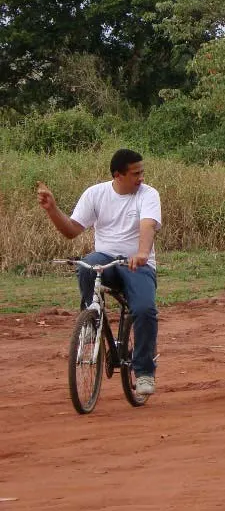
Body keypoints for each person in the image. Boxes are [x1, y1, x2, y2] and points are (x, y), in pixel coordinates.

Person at [37, 148, 162, 396]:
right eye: (136, 173)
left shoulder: (148, 195)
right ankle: (91, 319)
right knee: (87, 264)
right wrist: (52, 209)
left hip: (137, 263)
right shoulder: (96, 194)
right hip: (106, 260)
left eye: (142, 172)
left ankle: (145, 371)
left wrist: (142, 253)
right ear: (118, 175)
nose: (141, 178)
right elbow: (72, 230)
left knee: (145, 310)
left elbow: (148, 226)